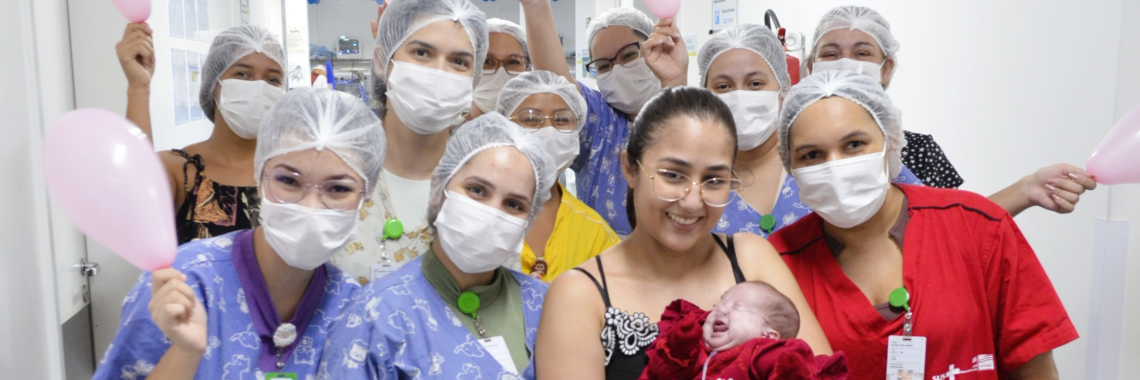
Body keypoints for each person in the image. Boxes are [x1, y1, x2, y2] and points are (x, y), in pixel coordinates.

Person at [770, 71, 1076, 380]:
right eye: (811, 155)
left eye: (854, 144)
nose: (835, 166)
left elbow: (1035, 368)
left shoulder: (978, 226)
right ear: (790, 166)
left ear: (889, 140)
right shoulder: (777, 265)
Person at [536, 87, 831, 379]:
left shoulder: (750, 257)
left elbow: (821, 371)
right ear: (629, 168)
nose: (692, 201)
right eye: (673, 175)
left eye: (714, 180)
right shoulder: (580, 294)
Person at [92, 88, 385, 379]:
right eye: (288, 181)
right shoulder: (184, 283)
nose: (310, 207)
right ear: (259, 177)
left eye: (338, 189)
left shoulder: (353, 309)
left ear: (365, 196)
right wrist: (185, 353)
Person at [319, 113, 555, 378]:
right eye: (477, 190)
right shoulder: (374, 316)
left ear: (529, 220)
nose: (491, 213)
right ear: (439, 190)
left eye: (514, 205)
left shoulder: (547, 307)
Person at [806, 6, 1096, 215]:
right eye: (830, 54)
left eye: (862, 53)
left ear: (887, 67)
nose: (846, 63)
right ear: (811, 67)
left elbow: (956, 224)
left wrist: (1027, 189)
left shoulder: (919, 150)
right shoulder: (794, 151)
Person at [697, 24, 922, 237]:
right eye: (723, 87)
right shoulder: (697, 178)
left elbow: (922, 214)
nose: (739, 96)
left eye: (755, 83)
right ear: (705, 95)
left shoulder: (822, 153)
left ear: (783, 88)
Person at [335, 0, 488, 284]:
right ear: (384, 61)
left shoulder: (486, 182)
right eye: (421, 52)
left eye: (459, 61)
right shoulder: (335, 170)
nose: (438, 72)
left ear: (474, 78)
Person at [522, 1, 689, 235]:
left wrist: (675, 81)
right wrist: (535, 6)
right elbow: (556, 82)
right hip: (600, 262)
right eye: (603, 65)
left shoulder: (692, 111)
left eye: (628, 55)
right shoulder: (600, 120)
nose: (618, 69)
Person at [116, 24, 286, 244]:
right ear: (213, 83)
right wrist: (139, 87)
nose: (259, 88)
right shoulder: (181, 171)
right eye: (243, 74)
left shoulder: (294, 175)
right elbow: (134, 202)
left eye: (272, 79)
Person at [496, 70, 619, 281]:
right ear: (504, 128)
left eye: (562, 120)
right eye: (531, 119)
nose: (548, 130)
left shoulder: (595, 233)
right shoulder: (475, 212)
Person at [640, 282, 848, 380]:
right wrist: (678, 347)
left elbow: (788, 369)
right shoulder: (696, 351)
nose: (720, 309)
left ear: (768, 335)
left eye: (737, 307)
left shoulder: (760, 353)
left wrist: (788, 367)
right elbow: (660, 374)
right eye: (719, 304)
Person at [470, 18, 531, 119]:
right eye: (487, 61)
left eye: (512, 62)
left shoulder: (539, 133)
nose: (500, 73)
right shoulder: (444, 133)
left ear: (527, 67)